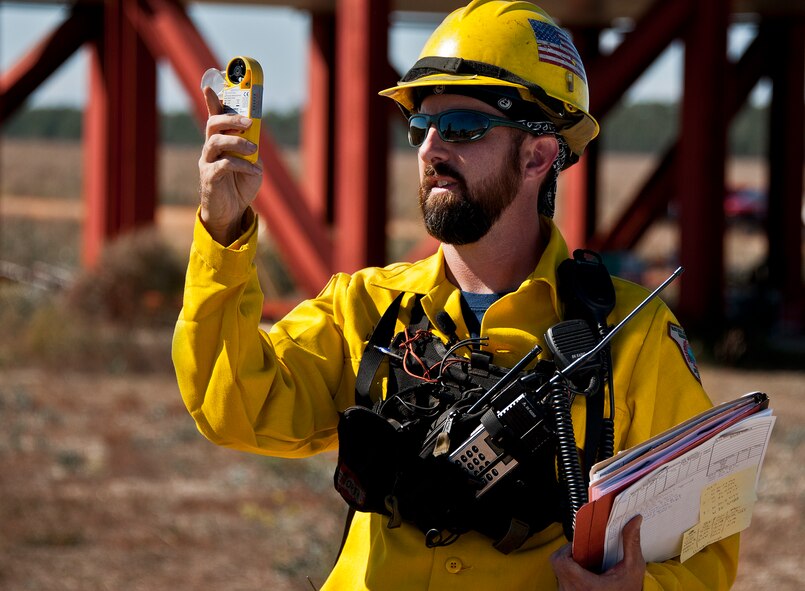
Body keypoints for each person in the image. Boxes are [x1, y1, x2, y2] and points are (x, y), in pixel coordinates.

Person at [172, 1, 739, 589]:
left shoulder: (630, 336)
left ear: (539, 155)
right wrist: (223, 231)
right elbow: (233, 407)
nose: (430, 148)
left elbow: (706, 541)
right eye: (421, 127)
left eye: (465, 127)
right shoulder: (364, 308)